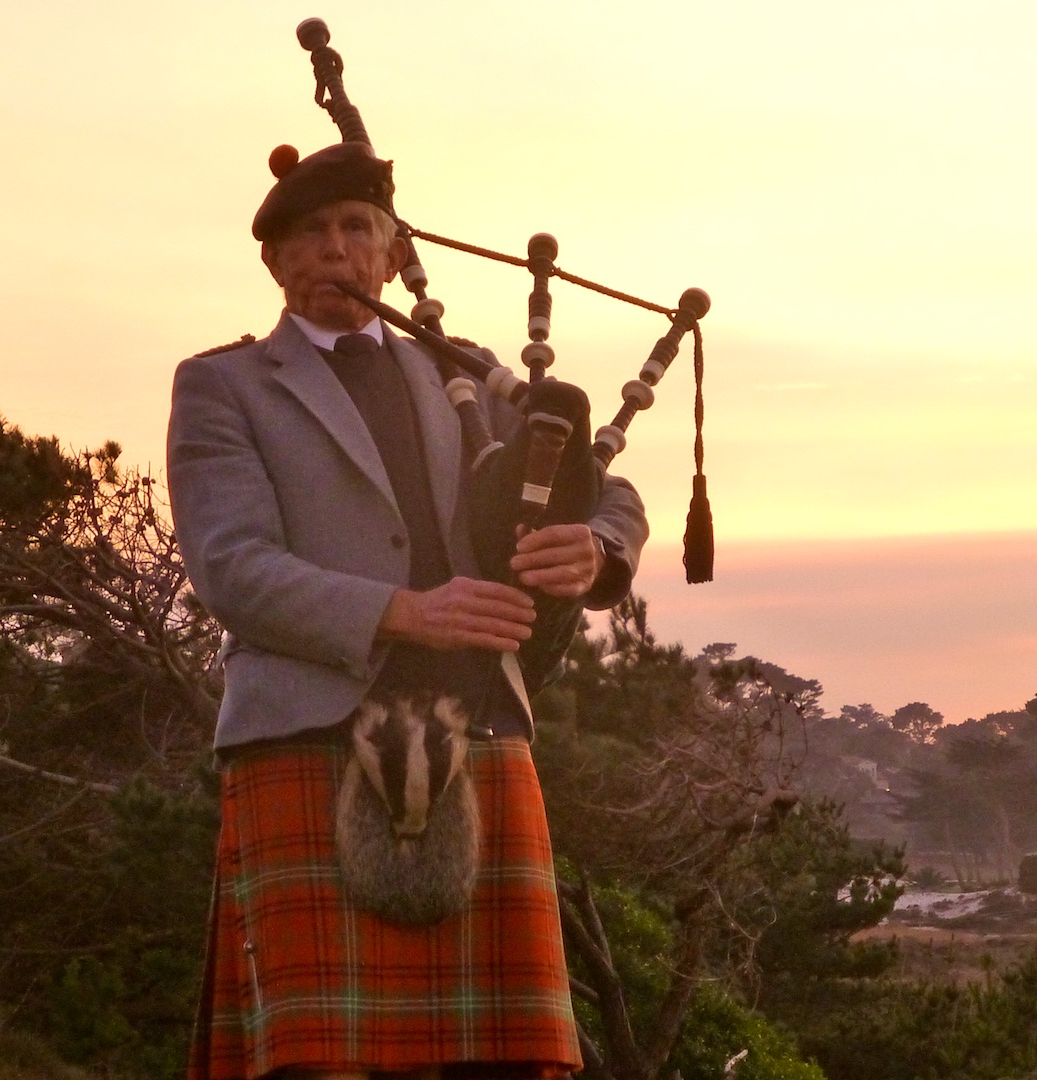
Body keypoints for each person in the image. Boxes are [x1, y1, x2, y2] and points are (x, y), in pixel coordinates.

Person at [168, 140, 648, 1080]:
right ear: (275, 262)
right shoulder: (222, 385)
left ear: (392, 253)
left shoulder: (462, 371)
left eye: (358, 229)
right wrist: (404, 613)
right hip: (308, 731)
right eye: (311, 234)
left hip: (481, 726)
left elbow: (609, 493)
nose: (336, 251)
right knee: (318, 1060)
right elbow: (232, 568)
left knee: (504, 1057)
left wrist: (594, 549)